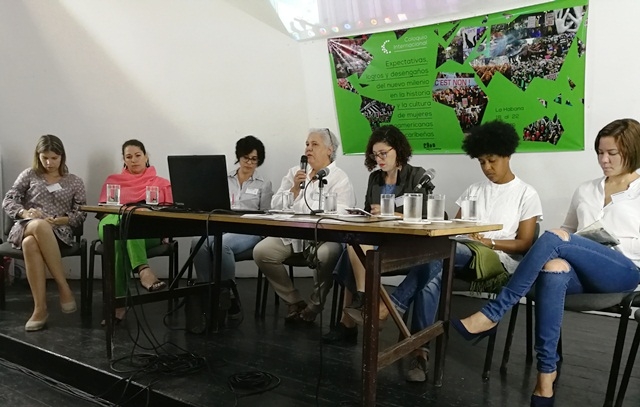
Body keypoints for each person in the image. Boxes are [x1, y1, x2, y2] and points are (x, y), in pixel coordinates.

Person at [452, 118, 640, 407]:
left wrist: (594, 244)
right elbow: (568, 229)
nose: (604, 160)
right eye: (600, 153)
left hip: (624, 270)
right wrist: (572, 243)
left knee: (554, 239)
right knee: (553, 269)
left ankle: (494, 312)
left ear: (632, 150)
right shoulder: (586, 189)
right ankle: (546, 374)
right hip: (583, 270)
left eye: (612, 153)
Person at [324, 124, 431, 345]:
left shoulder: (417, 175)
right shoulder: (375, 178)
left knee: (355, 250)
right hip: (377, 240)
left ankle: (349, 321)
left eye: (383, 153)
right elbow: (368, 211)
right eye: (375, 155)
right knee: (353, 246)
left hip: (404, 243)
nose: (379, 159)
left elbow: (425, 215)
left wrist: (392, 214)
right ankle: (361, 301)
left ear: (398, 150)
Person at [253, 128, 356, 323]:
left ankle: (315, 304)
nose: (308, 149)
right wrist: (293, 189)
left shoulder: (339, 178)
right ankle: (294, 300)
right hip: (293, 235)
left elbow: (344, 210)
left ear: (329, 150)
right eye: (307, 144)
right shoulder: (295, 172)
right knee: (262, 252)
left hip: (325, 238)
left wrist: (313, 205)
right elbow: (274, 205)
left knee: (327, 255)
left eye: (314, 144)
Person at [2, 135, 86, 331]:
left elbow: (81, 213)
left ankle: (40, 310)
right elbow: (8, 200)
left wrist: (62, 220)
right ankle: (63, 287)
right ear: (38, 156)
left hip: (58, 232)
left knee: (30, 244)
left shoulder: (74, 181)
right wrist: (24, 212)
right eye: (44, 158)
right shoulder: (29, 175)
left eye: (54, 158)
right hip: (26, 226)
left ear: (62, 157)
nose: (49, 163)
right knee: (38, 226)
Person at [190, 135, 273, 323]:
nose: (249, 163)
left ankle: (228, 294)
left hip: (250, 230)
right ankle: (206, 290)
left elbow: (267, 214)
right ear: (238, 156)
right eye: (246, 158)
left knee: (222, 244)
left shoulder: (264, 183)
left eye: (254, 159)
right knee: (198, 242)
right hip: (223, 226)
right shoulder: (224, 179)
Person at [97, 139, 172, 322]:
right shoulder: (113, 181)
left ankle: (118, 304)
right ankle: (143, 270)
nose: (134, 160)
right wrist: (127, 213)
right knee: (126, 219)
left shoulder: (161, 183)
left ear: (146, 156)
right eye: (129, 157)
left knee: (120, 240)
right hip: (111, 224)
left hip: (148, 232)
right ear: (124, 160)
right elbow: (102, 212)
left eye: (138, 155)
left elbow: (169, 216)